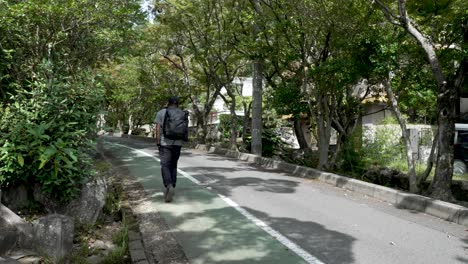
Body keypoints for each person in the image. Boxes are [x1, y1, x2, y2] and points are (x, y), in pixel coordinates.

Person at [154, 96, 183, 202]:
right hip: (178, 143)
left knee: (165, 165)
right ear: (177, 104)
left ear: (168, 103)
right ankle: (173, 185)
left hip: (165, 143)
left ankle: (169, 185)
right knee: (174, 164)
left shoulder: (161, 112)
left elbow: (157, 128)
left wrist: (157, 141)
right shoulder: (182, 113)